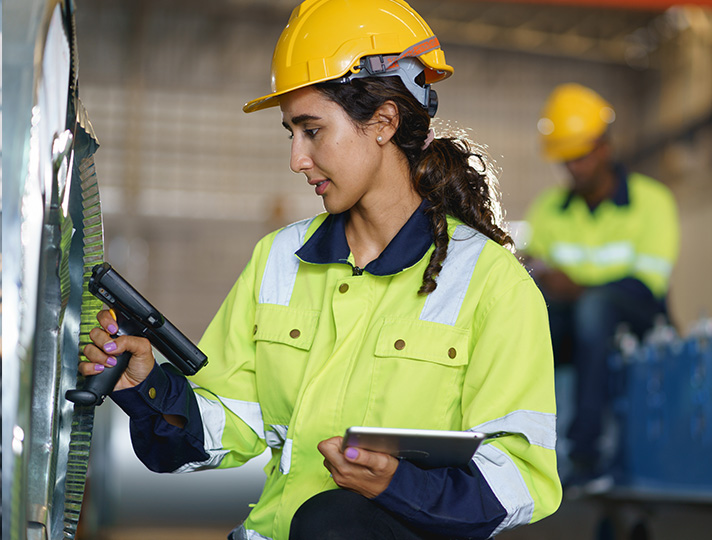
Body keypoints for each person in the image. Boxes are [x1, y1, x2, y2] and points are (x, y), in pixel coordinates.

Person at [82, 1, 561, 538]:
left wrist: (397, 485)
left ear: (383, 122)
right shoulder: (278, 260)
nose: (296, 159)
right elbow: (230, 421)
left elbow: (522, 478)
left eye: (312, 130)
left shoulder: (492, 284)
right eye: (290, 132)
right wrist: (150, 388)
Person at [523, 83, 680, 488]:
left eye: (581, 155)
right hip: (575, 323)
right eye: (566, 159)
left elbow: (647, 283)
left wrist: (576, 288)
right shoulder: (549, 209)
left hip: (637, 318)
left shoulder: (653, 202)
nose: (574, 166)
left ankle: (585, 452)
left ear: (605, 147)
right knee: (528, 316)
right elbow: (535, 273)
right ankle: (519, 443)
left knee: (595, 309)